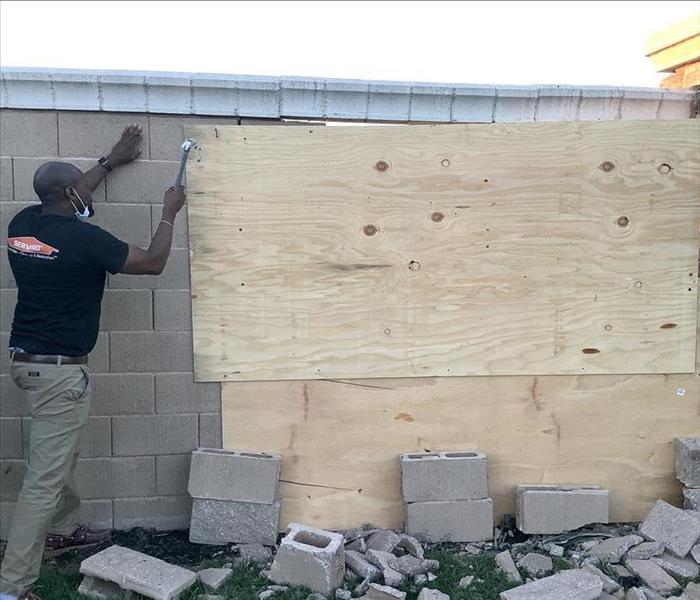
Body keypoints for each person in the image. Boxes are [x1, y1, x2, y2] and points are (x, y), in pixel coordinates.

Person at [0, 126, 187, 599]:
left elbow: (68, 193)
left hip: (27, 363)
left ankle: (62, 532)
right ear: (70, 193)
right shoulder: (88, 241)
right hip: (61, 373)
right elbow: (151, 263)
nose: (88, 188)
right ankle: (12, 586)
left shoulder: (21, 225)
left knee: (61, 454)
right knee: (43, 480)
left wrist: (109, 161)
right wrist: (167, 214)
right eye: (82, 185)